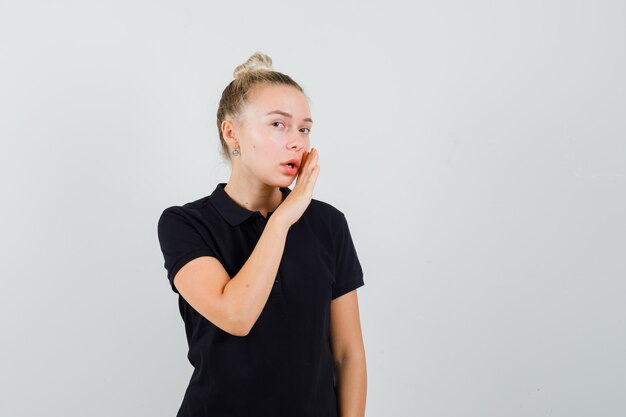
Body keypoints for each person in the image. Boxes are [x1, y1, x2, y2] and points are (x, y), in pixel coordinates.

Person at [157, 51, 366, 417]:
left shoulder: (328, 224)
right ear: (231, 132)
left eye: (304, 128)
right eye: (278, 125)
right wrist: (283, 219)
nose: (297, 142)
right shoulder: (185, 224)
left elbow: (348, 354)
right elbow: (236, 315)